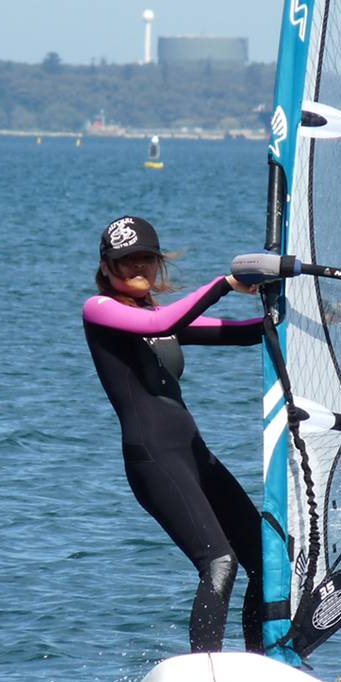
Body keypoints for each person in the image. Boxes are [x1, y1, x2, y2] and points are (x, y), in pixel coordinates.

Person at [83, 215, 266, 653]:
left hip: (194, 454)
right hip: (155, 460)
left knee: (266, 559)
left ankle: (265, 662)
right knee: (219, 562)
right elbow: (159, 325)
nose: (138, 267)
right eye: (126, 260)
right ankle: (205, 671)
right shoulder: (100, 310)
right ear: (106, 267)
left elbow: (245, 333)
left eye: (146, 258)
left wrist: (319, 315)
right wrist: (225, 284)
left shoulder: (156, 317)